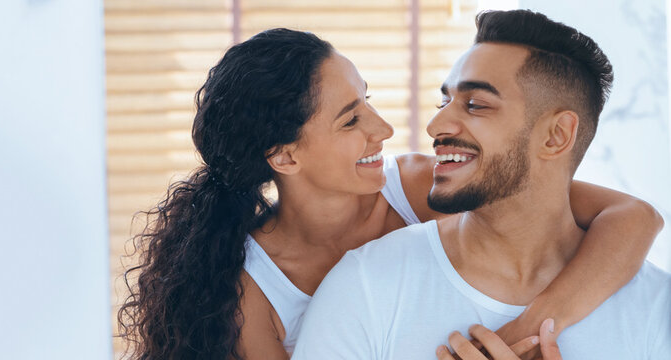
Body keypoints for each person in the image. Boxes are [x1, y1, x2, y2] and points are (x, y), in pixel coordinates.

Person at [117, 28, 664, 360]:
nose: (382, 128)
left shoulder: (417, 188)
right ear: (285, 157)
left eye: (369, 101)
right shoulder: (251, 291)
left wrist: (523, 333)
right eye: (351, 118)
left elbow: (632, 216)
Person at [292, 10, 671, 360]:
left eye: (475, 104)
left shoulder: (657, 309)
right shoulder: (365, 287)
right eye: (445, 101)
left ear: (556, 136)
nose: (435, 126)